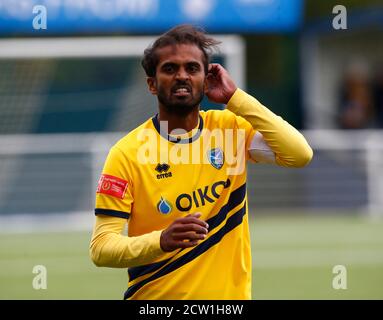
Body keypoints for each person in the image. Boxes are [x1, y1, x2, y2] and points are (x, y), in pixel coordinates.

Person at [90, 25, 313, 300]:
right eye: (170, 69)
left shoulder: (231, 130)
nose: (182, 76)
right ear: (151, 83)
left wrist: (236, 98)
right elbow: (101, 248)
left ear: (205, 79)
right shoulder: (126, 154)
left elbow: (299, 154)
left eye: (192, 68)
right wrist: (160, 241)